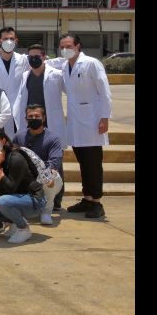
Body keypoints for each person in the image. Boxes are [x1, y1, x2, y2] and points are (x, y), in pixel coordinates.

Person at [49, 33, 111, 219]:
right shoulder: (64, 65)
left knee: (93, 163)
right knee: (83, 161)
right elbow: (47, 62)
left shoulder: (92, 63)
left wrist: (105, 117)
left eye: (69, 46)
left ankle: (96, 202)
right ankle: (87, 198)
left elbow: (104, 91)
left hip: (92, 121)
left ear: (78, 46)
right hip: (76, 122)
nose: (65, 49)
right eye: (62, 47)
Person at [0, 127, 46, 244]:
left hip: (33, 201)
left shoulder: (16, 158)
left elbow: (10, 188)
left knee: (3, 201)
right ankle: (14, 222)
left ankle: (23, 228)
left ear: (3, 141)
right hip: (9, 199)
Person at [12, 105, 64, 225]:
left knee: (52, 176)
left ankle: (46, 211)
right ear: (26, 119)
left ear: (44, 118)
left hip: (44, 177)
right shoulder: (19, 137)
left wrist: (41, 175)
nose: (34, 118)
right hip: (26, 178)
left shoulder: (53, 139)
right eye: (30, 116)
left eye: (37, 116)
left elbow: (54, 161)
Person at [14, 43, 67, 149]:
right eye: (30, 57)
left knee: (54, 155)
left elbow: (71, 93)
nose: (33, 59)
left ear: (44, 57)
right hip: (32, 121)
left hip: (50, 120)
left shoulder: (57, 74)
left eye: (37, 57)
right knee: (32, 156)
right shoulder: (25, 76)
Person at [0, 27, 29, 137]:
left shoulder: (24, 60)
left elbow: (44, 63)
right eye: (5, 38)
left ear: (16, 41)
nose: (9, 41)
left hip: (19, 110)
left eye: (11, 38)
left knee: (18, 144)